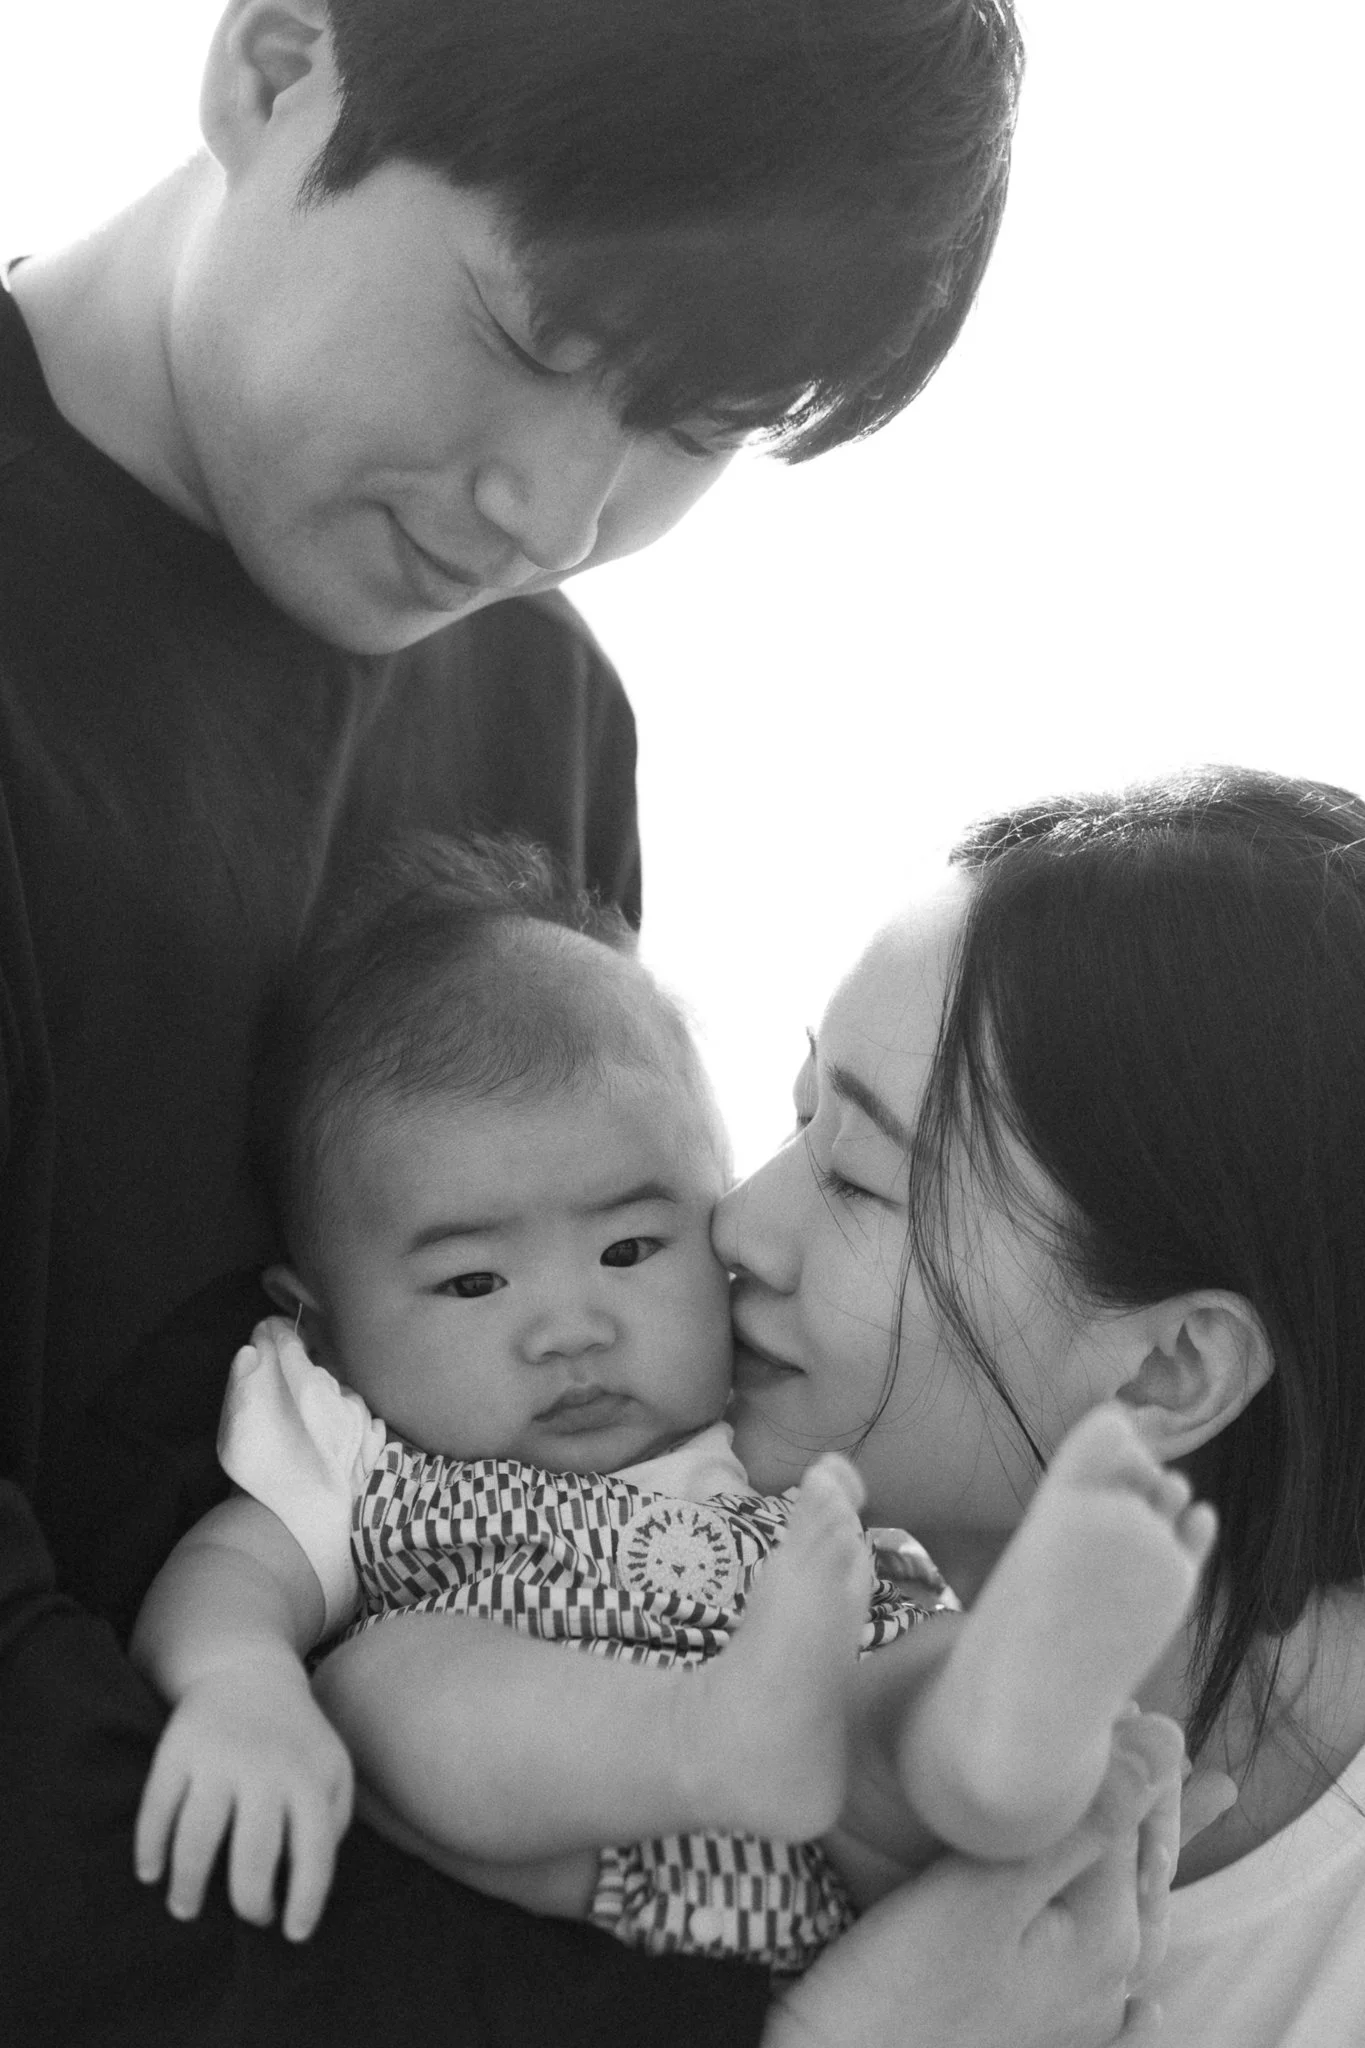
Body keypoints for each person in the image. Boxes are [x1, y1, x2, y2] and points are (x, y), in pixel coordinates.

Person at [1, 0, 1183, 2041]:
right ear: (279, 64)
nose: (555, 513)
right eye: (540, 341)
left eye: (696, 427)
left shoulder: (541, 713)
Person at [317, 766, 1365, 2048]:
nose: (739, 1220)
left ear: (1169, 1370)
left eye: (861, 1179)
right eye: (795, 1110)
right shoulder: (655, 1506)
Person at [128, 834, 1212, 1972]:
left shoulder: (761, 1404)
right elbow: (233, 1576)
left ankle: (1001, 1737)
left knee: (905, 1680)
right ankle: (718, 1739)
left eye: (633, 1245)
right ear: (323, 1324)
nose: (573, 1326)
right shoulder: (353, 1445)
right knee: (380, 1684)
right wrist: (243, 1683)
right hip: (564, 1838)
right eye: (474, 1280)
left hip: (830, 1853)